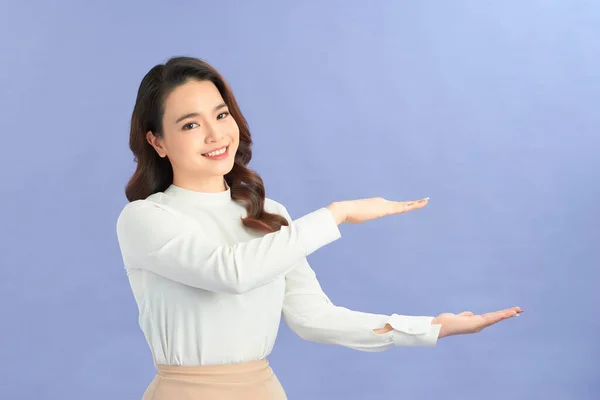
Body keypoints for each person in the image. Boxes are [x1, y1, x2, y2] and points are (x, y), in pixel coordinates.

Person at [115, 56, 523, 400]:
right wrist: (337, 214)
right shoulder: (146, 220)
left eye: (221, 114)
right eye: (190, 125)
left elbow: (314, 318)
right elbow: (231, 272)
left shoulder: (268, 212)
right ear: (157, 142)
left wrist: (430, 327)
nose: (215, 133)